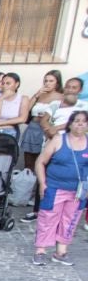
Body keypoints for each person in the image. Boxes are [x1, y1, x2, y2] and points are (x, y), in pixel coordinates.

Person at [33, 106, 87, 265]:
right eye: (77, 121)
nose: (80, 125)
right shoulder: (58, 139)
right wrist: (42, 183)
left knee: (70, 219)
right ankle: (41, 250)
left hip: (79, 191)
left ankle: (61, 251)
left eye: (84, 122)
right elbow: (40, 162)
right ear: (70, 124)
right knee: (48, 218)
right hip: (55, 187)